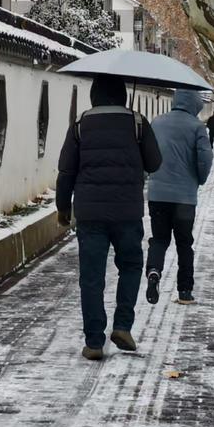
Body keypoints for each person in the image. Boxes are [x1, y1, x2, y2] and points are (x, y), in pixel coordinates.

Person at [56, 74, 162, 361]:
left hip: (89, 213)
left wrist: (63, 207)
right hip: (127, 212)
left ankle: (93, 341)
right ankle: (123, 325)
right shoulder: (138, 122)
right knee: (130, 266)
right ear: (123, 95)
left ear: (94, 96)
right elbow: (155, 163)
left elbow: (66, 170)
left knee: (91, 277)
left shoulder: (80, 125)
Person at [145, 89, 213, 306]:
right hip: (184, 198)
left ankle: (153, 272)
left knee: (159, 239)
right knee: (184, 243)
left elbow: (148, 154)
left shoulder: (156, 122)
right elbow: (204, 158)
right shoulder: (197, 127)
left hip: (157, 195)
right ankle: (185, 291)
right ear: (194, 104)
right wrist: (200, 180)